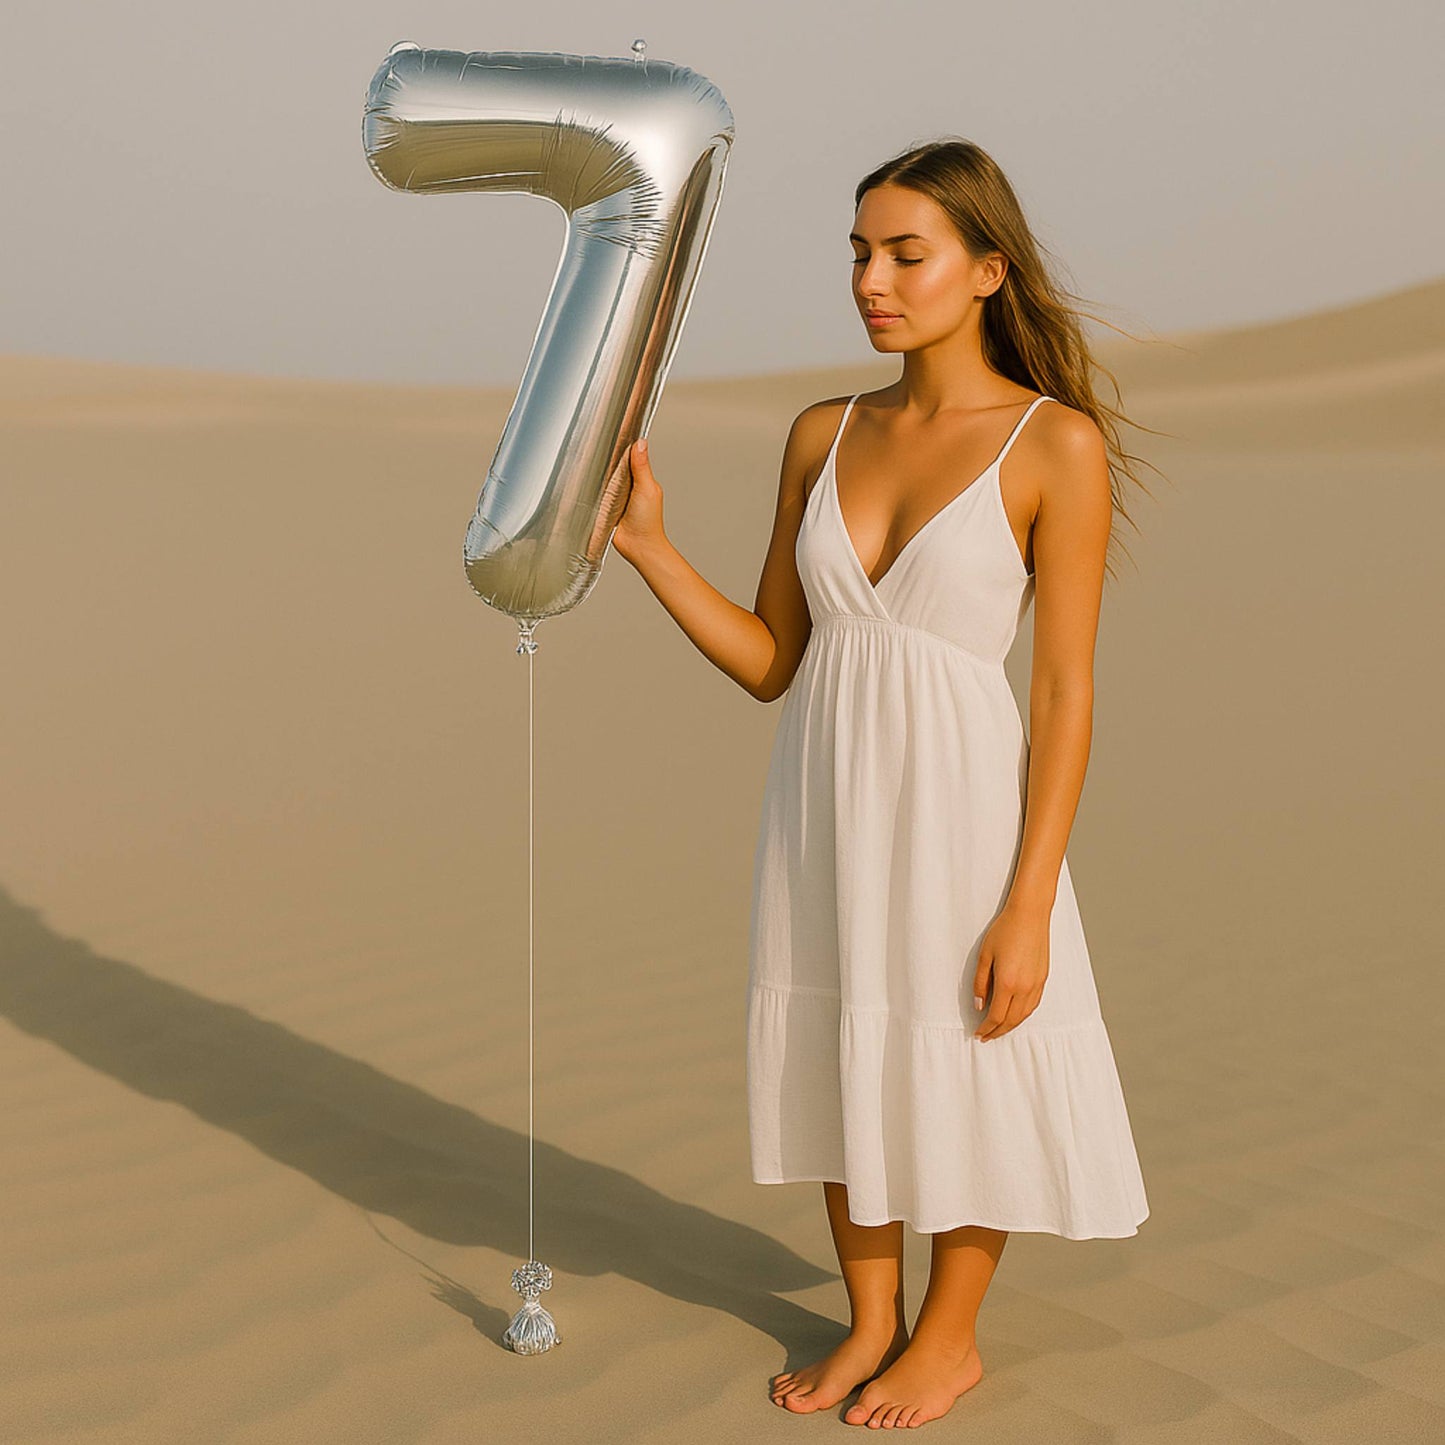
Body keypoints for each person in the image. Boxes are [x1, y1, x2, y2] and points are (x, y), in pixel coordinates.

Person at [610, 137, 1153, 1430]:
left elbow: (1066, 690)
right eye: (859, 251)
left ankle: (946, 1337)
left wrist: (1027, 898)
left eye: (905, 252)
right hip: (827, 804)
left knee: (963, 1055)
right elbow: (772, 658)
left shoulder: (1051, 443)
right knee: (842, 1033)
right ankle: (869, 1322)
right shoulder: (823, 430)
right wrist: (646, 548)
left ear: (984, 270)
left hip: (965, 813)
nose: (872, 277)